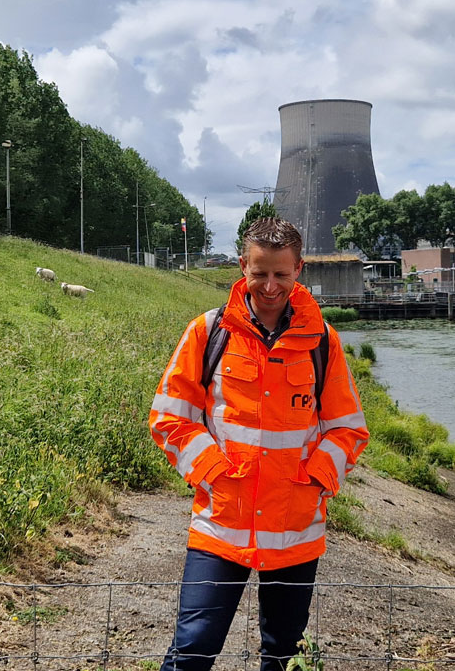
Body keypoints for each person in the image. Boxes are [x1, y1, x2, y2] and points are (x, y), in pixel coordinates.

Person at [150, 218, 369, 671]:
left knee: (283, 658)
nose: (270, 286)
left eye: (281, 275)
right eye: (260, 273)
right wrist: (213, 473)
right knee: (192, 649)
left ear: (299, 269)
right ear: (242, 266)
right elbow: (169, 417)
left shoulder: (323, 342)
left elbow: (347, 428)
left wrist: (314, 481)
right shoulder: (208, 332)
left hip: (295, 532)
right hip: (221, 528)